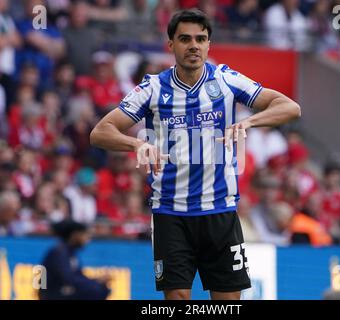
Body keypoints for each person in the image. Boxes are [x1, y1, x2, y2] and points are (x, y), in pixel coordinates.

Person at [90, 9, 301, 300]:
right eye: (185, 39)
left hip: (220, 211)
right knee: (177, 299)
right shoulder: (152, 88)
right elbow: (100, 132)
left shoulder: (226, 80)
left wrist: (247, 122)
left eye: (201, 39)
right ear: (171, 45)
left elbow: (290, 107)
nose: (194, 45)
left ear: (209, 45)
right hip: (170, 213)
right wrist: (137, 144)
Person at [39, 219, 111, 300]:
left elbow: (78, 276)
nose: (87, 240)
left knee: (102, 288)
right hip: (52, 294)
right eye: (85, 235)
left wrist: (97, 280)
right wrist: (93, 283)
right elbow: (68, 278)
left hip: (62, 291)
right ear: (75, 235)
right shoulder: (59, 253)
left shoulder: (70, 253)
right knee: (96, 290)